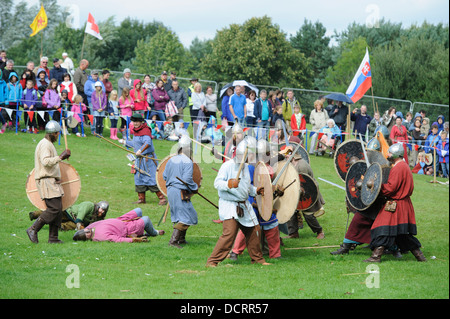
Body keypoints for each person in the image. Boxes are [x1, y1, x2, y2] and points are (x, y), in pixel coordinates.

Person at [206, 140, 270, 267]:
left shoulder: (245, 167)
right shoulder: (227, 166)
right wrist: (229, 184)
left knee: (254, 230)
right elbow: (217, 183)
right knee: (229, 234)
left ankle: (257, 259)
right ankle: (212, 261)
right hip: (230, 205)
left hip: (244, 205)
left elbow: (246, 188)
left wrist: (255, 190)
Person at [365, 143, 426, 262]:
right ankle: (420, 256)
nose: (388, 155)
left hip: (396, 204)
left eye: (390, 153)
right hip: (404, 204)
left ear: (396, 155)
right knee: (402, 233)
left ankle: (376, 256)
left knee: (383, 228)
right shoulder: (405, 166)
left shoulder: (398, 168)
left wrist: (378, 187)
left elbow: (391, 188)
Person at [26, 120, 71, 244]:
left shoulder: (48, 143)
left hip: (51, 181)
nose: (58, 136)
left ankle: (53, 238)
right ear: (54, 133)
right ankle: (33, 229)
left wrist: (57, 177)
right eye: (57, 134)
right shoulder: (45, 144)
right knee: (54, 209)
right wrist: (60, 157)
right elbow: (45, 161)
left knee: (58, 209)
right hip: (46, 181)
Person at [119, 113, 167, 205]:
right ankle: (141, 199)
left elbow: (147, 142)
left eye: (137, 121)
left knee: (151, 178)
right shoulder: (136, 131)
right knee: (138, 178)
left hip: (148, 160)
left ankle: (162, 198)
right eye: (134, 122)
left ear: (141, 122)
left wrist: (140, 150)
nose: (135, 123)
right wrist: (125, 142)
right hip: (139, 160)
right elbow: (136, 143)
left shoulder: (146, 130)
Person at [163, 135, 199, 248]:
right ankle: (173, 241)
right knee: (185, 216)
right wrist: (194, 187)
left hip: (170, 190)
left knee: (182, 214)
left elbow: (164, 176)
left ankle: (181, 239)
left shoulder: (171, 160)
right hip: (180, 191)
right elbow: (187, 179)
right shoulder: (188, 162)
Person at [282, 151, 325, 240]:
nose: (286, 156)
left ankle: (319, 231)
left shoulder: (302, 166)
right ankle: (293, 233)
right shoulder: (292, 164)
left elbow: (305, 182)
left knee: (308, 215)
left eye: (288, 155)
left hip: (308, 193)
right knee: (291, 212)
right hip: (296, 192)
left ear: (293, 156)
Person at [73, 208, 164, 243]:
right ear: (86, 238)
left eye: (85, 231)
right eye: (86, 234)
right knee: (146, 219)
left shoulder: (90, 228)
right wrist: (134, 240)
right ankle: (155, 232)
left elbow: (87, 227)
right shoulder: (100, 237)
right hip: (128, 229)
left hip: (121, 219)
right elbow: (118, 239)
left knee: (138, 210)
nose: (88, 231)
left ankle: (146, 232)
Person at [29, 200, 109, 231]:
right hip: (69, 212)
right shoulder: (89, 205)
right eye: (101, 209)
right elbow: (82, 211)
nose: (101, 211)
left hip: (74, 221)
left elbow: (97, 225)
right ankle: (35, 214)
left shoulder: (98, 218)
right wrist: (79, 221)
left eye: (103, 211)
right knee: (53, 214)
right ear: (98, 206)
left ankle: (61, 227)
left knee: (72, 226)